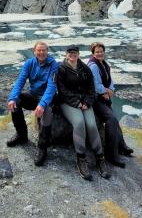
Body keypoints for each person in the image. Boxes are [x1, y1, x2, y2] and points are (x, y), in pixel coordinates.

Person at [55, 44, 110, 181]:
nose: (72, 55)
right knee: (79, 123)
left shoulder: (85, 69)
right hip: (67, 103)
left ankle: (100, 158)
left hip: (85, 102)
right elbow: (62, 91)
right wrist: (76, 102)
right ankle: (81, 158)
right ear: (66, 54)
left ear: (78, 54)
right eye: (70, 53)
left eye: (75, 53)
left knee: (91, 125)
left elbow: (91, 89)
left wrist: (86, 102)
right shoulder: (61, 69)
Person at [6, 41, 58, 166]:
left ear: (47, 51)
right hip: (33, 96)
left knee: (48, 112)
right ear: (34, 51)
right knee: (16, 102)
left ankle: (42, 147)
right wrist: (12, 97)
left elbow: (51, 86)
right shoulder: (30, 63)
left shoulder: (53, 65)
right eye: (39, 50)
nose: (41, 53)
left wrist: (43, 103)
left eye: (44, 50)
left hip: (47, 98)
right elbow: (20, 80)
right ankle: (21, 135)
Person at [87, 42, 134, 167]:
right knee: (111, 119)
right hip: (95, 99)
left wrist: (111, 90)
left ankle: (121, 145)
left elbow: (110, 81)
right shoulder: (93, 66)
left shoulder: (104, 64)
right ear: (93, 53)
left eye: (101, 51)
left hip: (104, 97)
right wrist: (106, 91)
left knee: (114, 115)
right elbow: (95, 86)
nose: (99, 53)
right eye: (97, 51)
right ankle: (112, 155)